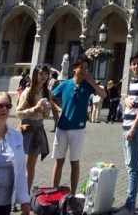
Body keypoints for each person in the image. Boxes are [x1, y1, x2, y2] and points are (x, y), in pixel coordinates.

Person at [50, 56, 107, 196]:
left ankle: (73, 194)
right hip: (62, 127)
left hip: (78, 129)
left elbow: (103, 94)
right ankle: (53, 192)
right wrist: (57, 109)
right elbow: (49, 97)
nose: (84, 70)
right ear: (74, 68)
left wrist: (92, 81)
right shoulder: (65, 84)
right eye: (81, 67)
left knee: (74, 162)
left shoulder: (88, 86)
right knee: (59, 161)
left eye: (86, 68)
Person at [115, 51, 138, 215]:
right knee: (129, 165)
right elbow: (130, 99)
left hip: (133, 129)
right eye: (133, 63)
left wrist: (133, 128)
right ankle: (129, 204)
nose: (136, 66)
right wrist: (125, 100)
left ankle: (130, 206)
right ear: (130, 66)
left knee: (132, 168)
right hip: (126, 125)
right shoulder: (133, 80)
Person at [0, 91, 31, 215]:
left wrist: (24, 201)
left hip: (5, 203)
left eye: (8, 106)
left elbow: (20, 171)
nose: (4, 109)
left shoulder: (17, 136)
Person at [16, 63, 53, 188]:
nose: (43, 76)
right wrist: (34, 109)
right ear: (35, 75)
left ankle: (25, 194)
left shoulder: (47, 92)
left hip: (38, 129)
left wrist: (45, 111)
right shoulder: (27, 92)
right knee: (19, 164)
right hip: (26, 129)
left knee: (31, 165)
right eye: (41, 74)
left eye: (46, 73)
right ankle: (14, 194)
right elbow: (18, 113)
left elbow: (46, 115)